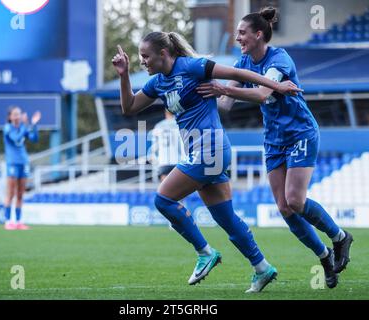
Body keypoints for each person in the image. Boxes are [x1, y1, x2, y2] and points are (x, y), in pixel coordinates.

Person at [112, 31, 302, 293]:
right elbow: (129, 107)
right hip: (202, 152)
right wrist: (123, 76)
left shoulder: (192, 66)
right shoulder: (158, 82)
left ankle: (205, 252)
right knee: (226, 219)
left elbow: (237, 75)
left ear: (164, 54)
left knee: (163, 199)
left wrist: (275, 86)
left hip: (209, 148)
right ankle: (262, 268)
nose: (142, 61)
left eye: (145, 56)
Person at [196, 7, 353, 289]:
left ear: (258, 34)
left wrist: (224, 89)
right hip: (273, 139)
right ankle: (325, 255)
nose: (238, 37)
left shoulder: (279, 59)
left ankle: (340, 237)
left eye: (242, 33)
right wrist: (197, 92)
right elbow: (225, 106)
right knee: (284, 208)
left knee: (294, 200)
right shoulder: (243, 60)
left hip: (300, 132)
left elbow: (262, 93)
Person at [3, 106, 41, 230]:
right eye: (15, 114)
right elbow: (16, 138)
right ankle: (8, 221)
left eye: (19, 114)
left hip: (24, 162)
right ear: (10, 117)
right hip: (12, 163)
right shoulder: (7, 128)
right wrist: (25, 125)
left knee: (20, 194)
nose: (17, 116)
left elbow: (34, 139)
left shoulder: (22, 127)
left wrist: (34, 125)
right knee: (11, 193)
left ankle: (19, 221)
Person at [149, 109, 185, 182]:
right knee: (178, 187)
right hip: (179, 160)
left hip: (164, 160)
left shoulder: (159, 126)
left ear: (166, 113)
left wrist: (155, 160)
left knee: (165, 188)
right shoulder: (181, 124)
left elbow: (154, 147)